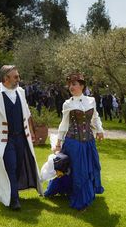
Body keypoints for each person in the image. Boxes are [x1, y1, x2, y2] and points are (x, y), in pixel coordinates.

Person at [0, 65, 42, 210]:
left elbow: (27, 114)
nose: (18, 79)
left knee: (17, 167)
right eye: (15, 76)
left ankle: (9, 192)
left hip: (21, 138)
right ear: (6, 78)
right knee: (10, 166)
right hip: (4, 140)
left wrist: (32, 132)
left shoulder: (21, 92)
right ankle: (14, 200)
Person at [45, 73, 105, 211]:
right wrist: (58, 143)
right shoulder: (68, 103)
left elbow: (95, 117)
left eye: (74, 84)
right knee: (78, 171)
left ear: (82, 86)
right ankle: (81, 199)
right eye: (70, 85)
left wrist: (100, 130)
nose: (71, 87)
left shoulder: (91, 101)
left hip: (88, 142)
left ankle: (85, 194)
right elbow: (64, 124)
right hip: (73, 143)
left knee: (89, 168)